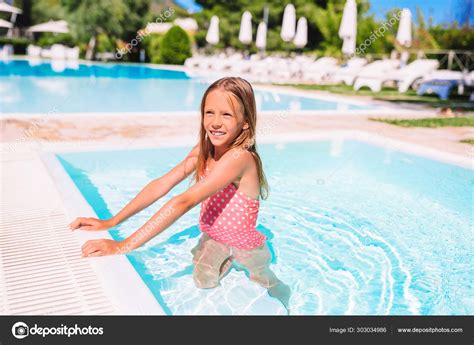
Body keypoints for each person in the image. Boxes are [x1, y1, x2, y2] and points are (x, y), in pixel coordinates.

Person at [70, 77, 291, 312]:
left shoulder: (240, 158)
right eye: (209, 113)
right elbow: (161, 185)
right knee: (203, 282)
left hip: (245, 247)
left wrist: (124, 245)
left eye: (226, 115)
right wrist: (111, 221)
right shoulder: (203, 152)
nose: (215, 122)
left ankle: (289, 308)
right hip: (214, 239)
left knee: (265, 283)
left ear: (245, 122)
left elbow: (184, 201)